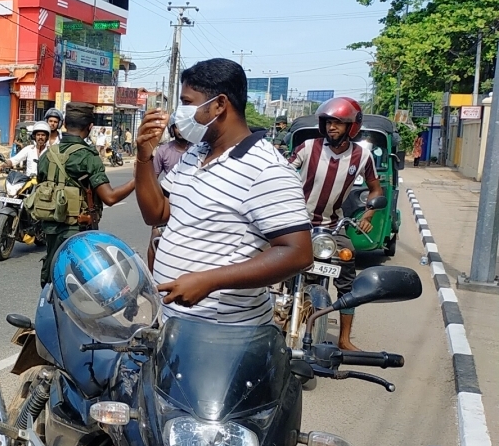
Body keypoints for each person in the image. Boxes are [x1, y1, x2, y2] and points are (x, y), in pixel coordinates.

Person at [133, 58, 313, 325]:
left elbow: (298, 253)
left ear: (219, 104)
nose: (178, 113)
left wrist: (210, 280)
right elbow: (157, 213)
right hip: (173, 322)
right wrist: (144, 156)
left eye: (187, 102)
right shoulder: (196, 152)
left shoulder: (265, 168)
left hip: (224, 333)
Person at [288, 96, 382, 351]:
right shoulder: (308, 147)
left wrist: (368, 215)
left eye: (339, 123)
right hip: (298, 220)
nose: (332, 127)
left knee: (347, 278)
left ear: (351, 126)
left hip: (333, 225)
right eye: (329, 122)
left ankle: (344, 339)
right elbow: (283, 171)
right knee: (273, 260)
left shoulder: (362, 156)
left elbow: (375, 189)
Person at [36, 103, 136, 286]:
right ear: (90, 127)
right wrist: (136, 181)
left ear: (64, 123)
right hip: (79, 232)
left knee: (52, 279)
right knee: (82, 284)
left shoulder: (47, 155)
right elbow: (110, 197)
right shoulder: (89, 156)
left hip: (50, 230)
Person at [145, 121, 192, 268]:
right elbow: (153, 178)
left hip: (191, 203)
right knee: (155, 238)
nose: (180, 130)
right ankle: (152, 279)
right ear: (172, 129)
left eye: (183, 126)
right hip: (168, 201)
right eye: (177, 127)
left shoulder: (198, 149)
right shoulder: (163, 151)